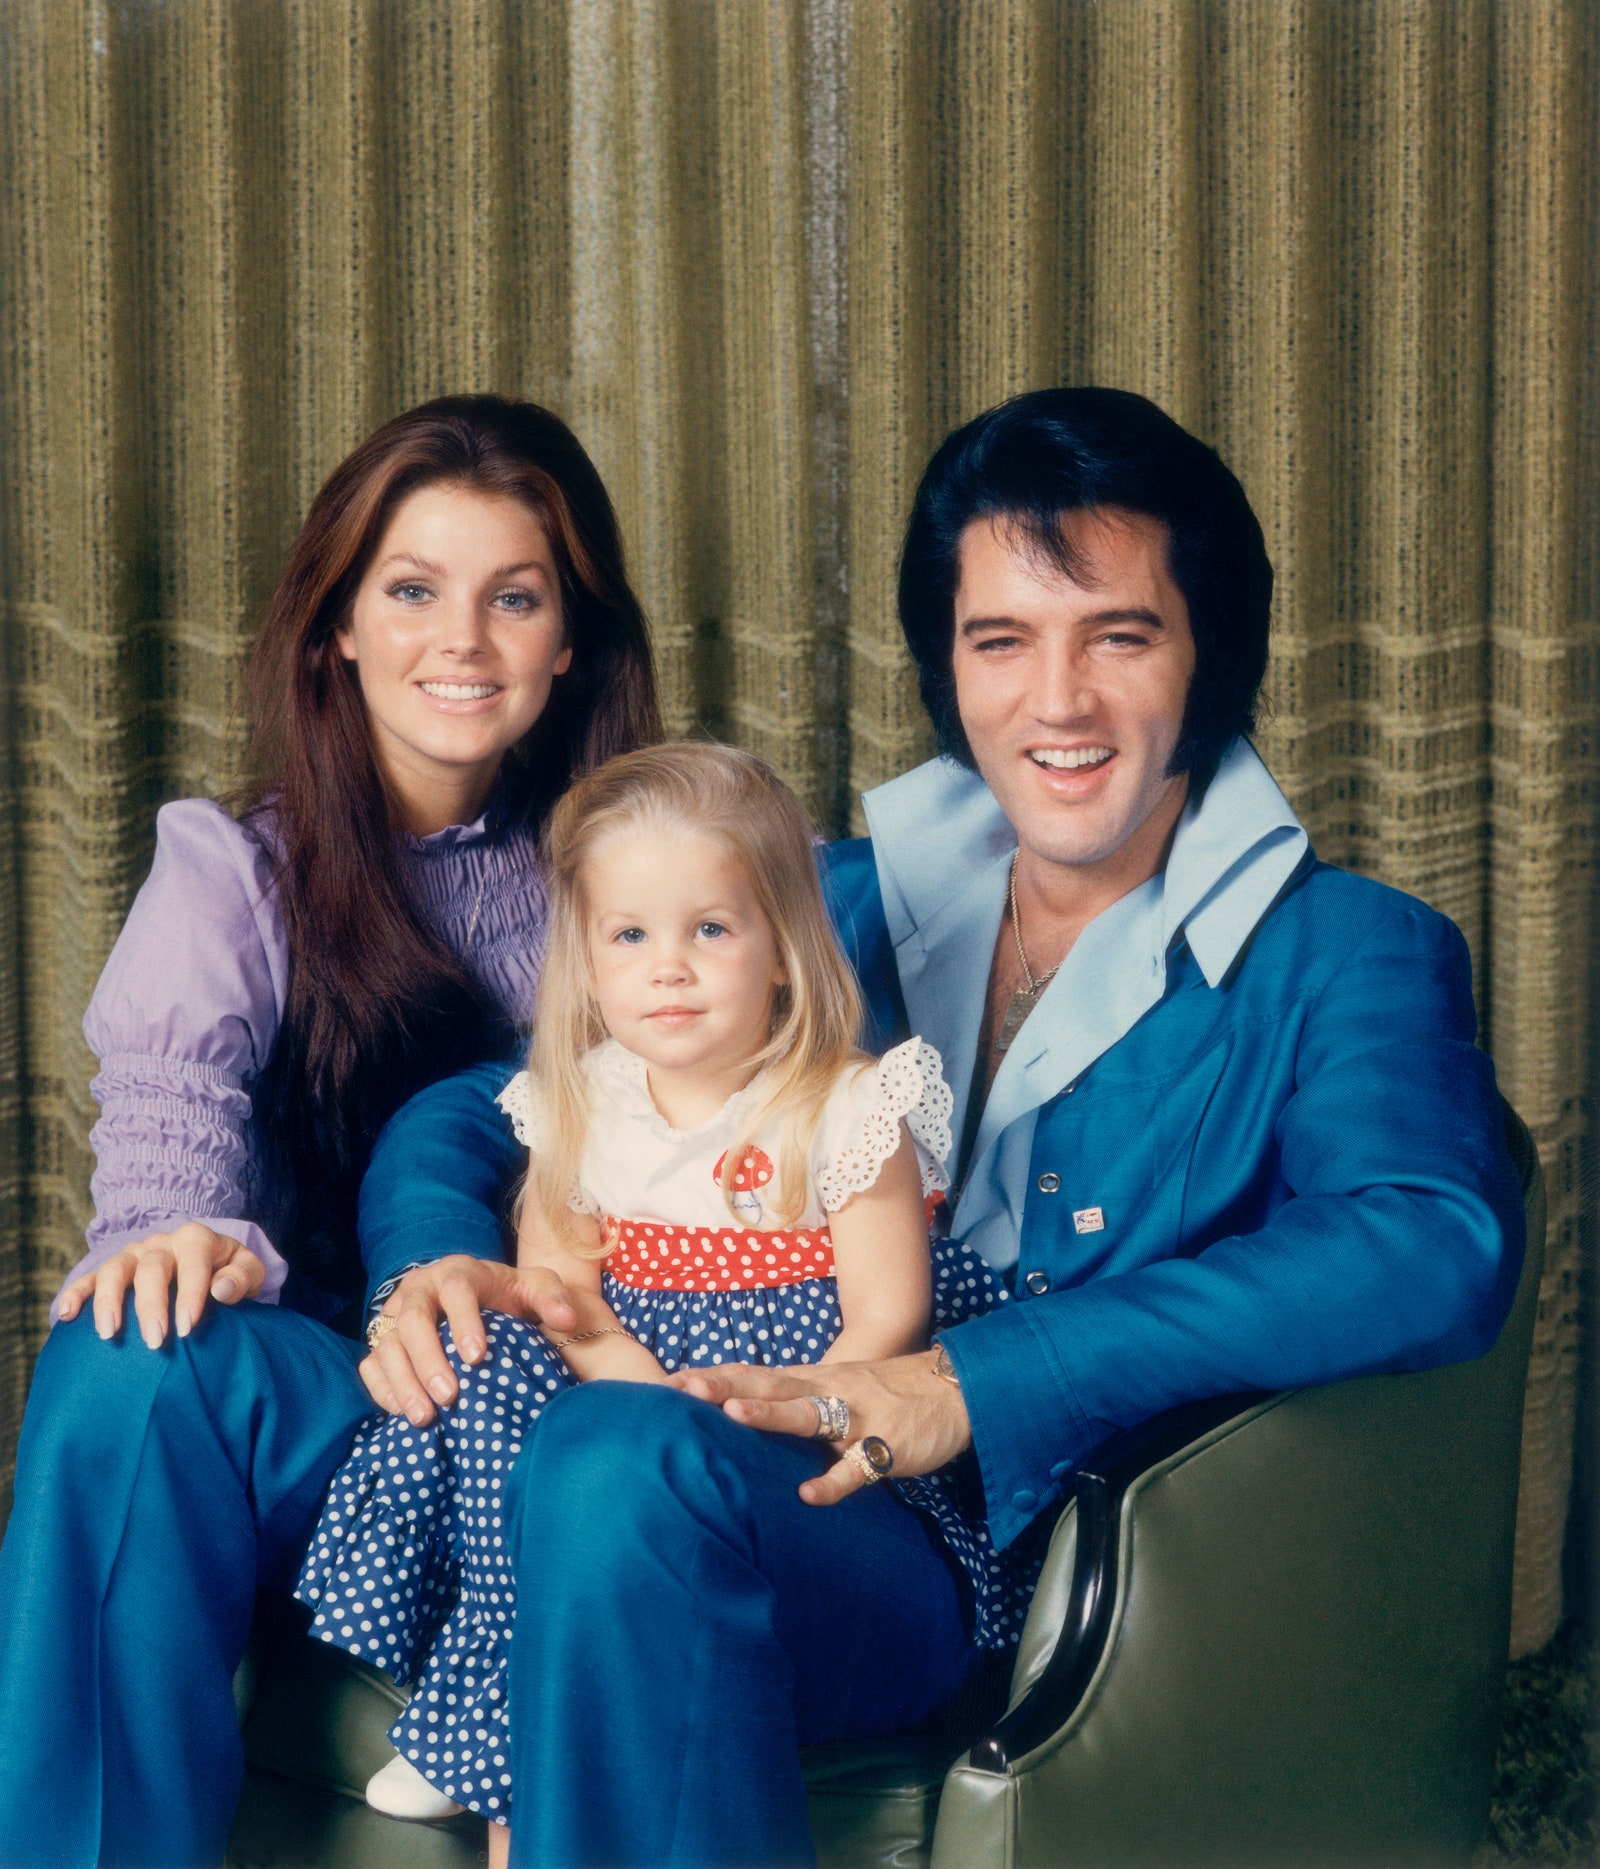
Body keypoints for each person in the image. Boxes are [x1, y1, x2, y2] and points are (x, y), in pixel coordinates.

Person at [356, 387, 1525, 1869]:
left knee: (612, 1461)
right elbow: (483, 1102)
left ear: (1207, 652)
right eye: (1000, 642)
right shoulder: (826, 897)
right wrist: (443, 1262)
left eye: (1119, 633)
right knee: (564, 1440)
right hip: (733, 1463)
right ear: (947, 668)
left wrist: (974, 1378)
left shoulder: (1351, 949)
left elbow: (1430, 1238)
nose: (1058, 702)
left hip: (1025, 1560)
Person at [0, 395, 660, 1869]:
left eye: (516, 597)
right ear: (340, 630)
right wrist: (183, 1237)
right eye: (413, 591)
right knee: (130, 1351)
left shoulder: (651, 875)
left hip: (574, 1403)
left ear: (573, 641)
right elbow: (166, 1170)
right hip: (346, 1409)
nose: (463, 643)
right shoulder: (231, 872)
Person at [296, 742, 1015, 1862]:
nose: (667, 968)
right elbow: (562, 1287)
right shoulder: (579, 1105)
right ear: (585, 961)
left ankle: (511, 1736)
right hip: (622, 1383)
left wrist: (769, 1407)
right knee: (497, 1371)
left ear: (782, 948)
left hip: (798, 1429)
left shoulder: (849, 1104)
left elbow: (888, 1318)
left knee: (629, 1471)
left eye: (709, 931)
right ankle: (494, 1711)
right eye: (629, 936)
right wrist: (638, 1381)